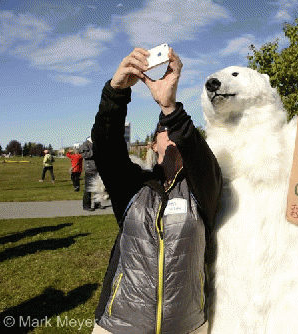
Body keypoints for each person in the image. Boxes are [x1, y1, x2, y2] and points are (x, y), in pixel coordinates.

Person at [91, 47, 222, 334]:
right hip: (121, 325)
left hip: (188, 326)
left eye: (177, 129)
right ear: (153, 145)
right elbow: (106, 146)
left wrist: (170, 108)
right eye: (165, 130)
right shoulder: (133, 187)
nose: (173, 134)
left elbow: (204, 162)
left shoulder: (201, 189)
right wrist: (115, 93)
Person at [80, 136, 98, 210]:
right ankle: (86, 205)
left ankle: (97, 203)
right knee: (88, 188)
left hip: (98, 169)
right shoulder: (85, 144)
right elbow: (84, 155)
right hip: (90, 169)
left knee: (97, 187)